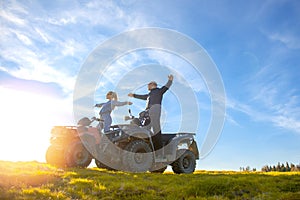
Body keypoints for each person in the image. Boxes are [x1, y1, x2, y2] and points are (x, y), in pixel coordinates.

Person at [128, 74, 173, 152]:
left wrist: (170, 80)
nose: (147, 86)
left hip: (155, 111)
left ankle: (159, 150)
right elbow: (142, 97)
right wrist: (133, 95)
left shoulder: (159, 91)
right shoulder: (149, 94)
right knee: (145, 129)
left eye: (148, 85)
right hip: (147, 113)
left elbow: (166, 87)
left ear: (153, 85)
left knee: (156, 129)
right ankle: (147, 147)